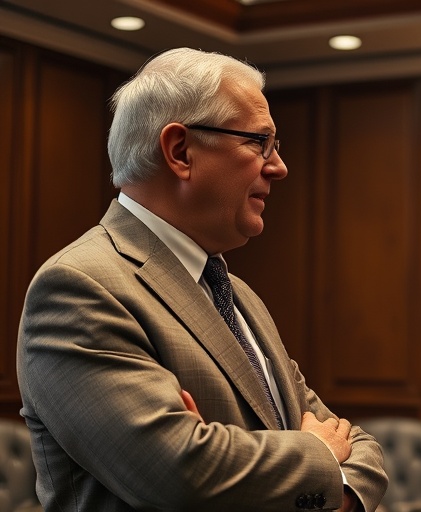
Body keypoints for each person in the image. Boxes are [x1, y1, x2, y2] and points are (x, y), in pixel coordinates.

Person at [16, 47, 387, 511]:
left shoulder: (235, 293)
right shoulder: (80, 286)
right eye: (259, 143)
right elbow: (184, 475)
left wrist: (337, 489)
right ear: (180, 151)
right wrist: (318, 455)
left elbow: (360, 444)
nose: (279, 166)